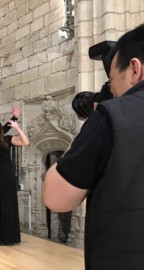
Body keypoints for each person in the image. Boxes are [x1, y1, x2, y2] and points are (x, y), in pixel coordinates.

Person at [44, 24, 144, 269]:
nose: (111, 90)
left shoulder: (112, 115)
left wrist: (90, 128)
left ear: (134, 69)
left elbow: (56, 198)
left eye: (111, 80)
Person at [0, 119, 29, 245]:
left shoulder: (8, 139)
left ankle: (7, 237)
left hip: (7, 174)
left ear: (0, 127)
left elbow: (26, 142)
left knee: (7, 204)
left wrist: (17, 128)